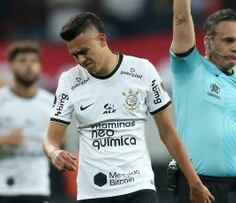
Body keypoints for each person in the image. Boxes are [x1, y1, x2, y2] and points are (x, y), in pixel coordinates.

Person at [43, 12, 213, 203]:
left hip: (138, 188)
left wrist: (194, 181)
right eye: (75, 55)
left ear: (101, 40)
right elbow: (51, 138)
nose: (81, 60)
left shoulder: (142, 71)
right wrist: (53, 152)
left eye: (84, 51)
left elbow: (168, 132)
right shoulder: (69, 80)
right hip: (93, 192)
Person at [170, 1, 236, 202]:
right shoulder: (190, 67)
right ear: (208, 41)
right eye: (228, 40)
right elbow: (181, 18)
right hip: (195, 185)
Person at [0, 41, 53, 203]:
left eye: (34, 61)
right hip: (4, 188)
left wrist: (56, 145)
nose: (29, 66)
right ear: (11, 66)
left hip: (38, 188)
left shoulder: (51, 102)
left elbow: (60, 147)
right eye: (23, 61)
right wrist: (4, 141)